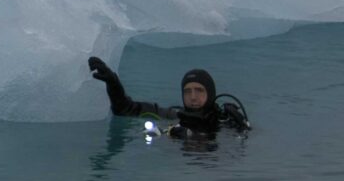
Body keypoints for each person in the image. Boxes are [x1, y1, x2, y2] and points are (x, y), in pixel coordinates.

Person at [88, 56, 250, 138]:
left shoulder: (225, 121)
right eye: (187, 91)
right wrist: (113, 82)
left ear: (210, 93)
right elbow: (125, 108)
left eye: (199, 90)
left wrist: (241, 124)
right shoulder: (173, 115)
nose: (193, 97)